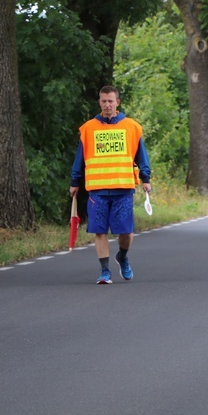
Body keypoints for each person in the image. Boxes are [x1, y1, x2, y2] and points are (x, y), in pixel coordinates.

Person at [70, 86, 152, 284]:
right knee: (100, 230)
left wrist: (146, 179)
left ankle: (122, 257)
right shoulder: (88, 128)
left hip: (123, 187)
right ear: (99, 102)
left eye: (111, 101)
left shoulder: (131, 127)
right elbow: (79, 158)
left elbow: (141, 156)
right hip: (97, 189)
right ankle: (105, 271)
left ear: (118, 103)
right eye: (104, 101)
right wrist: (75, 181)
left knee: (126, 231)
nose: (107, 105)